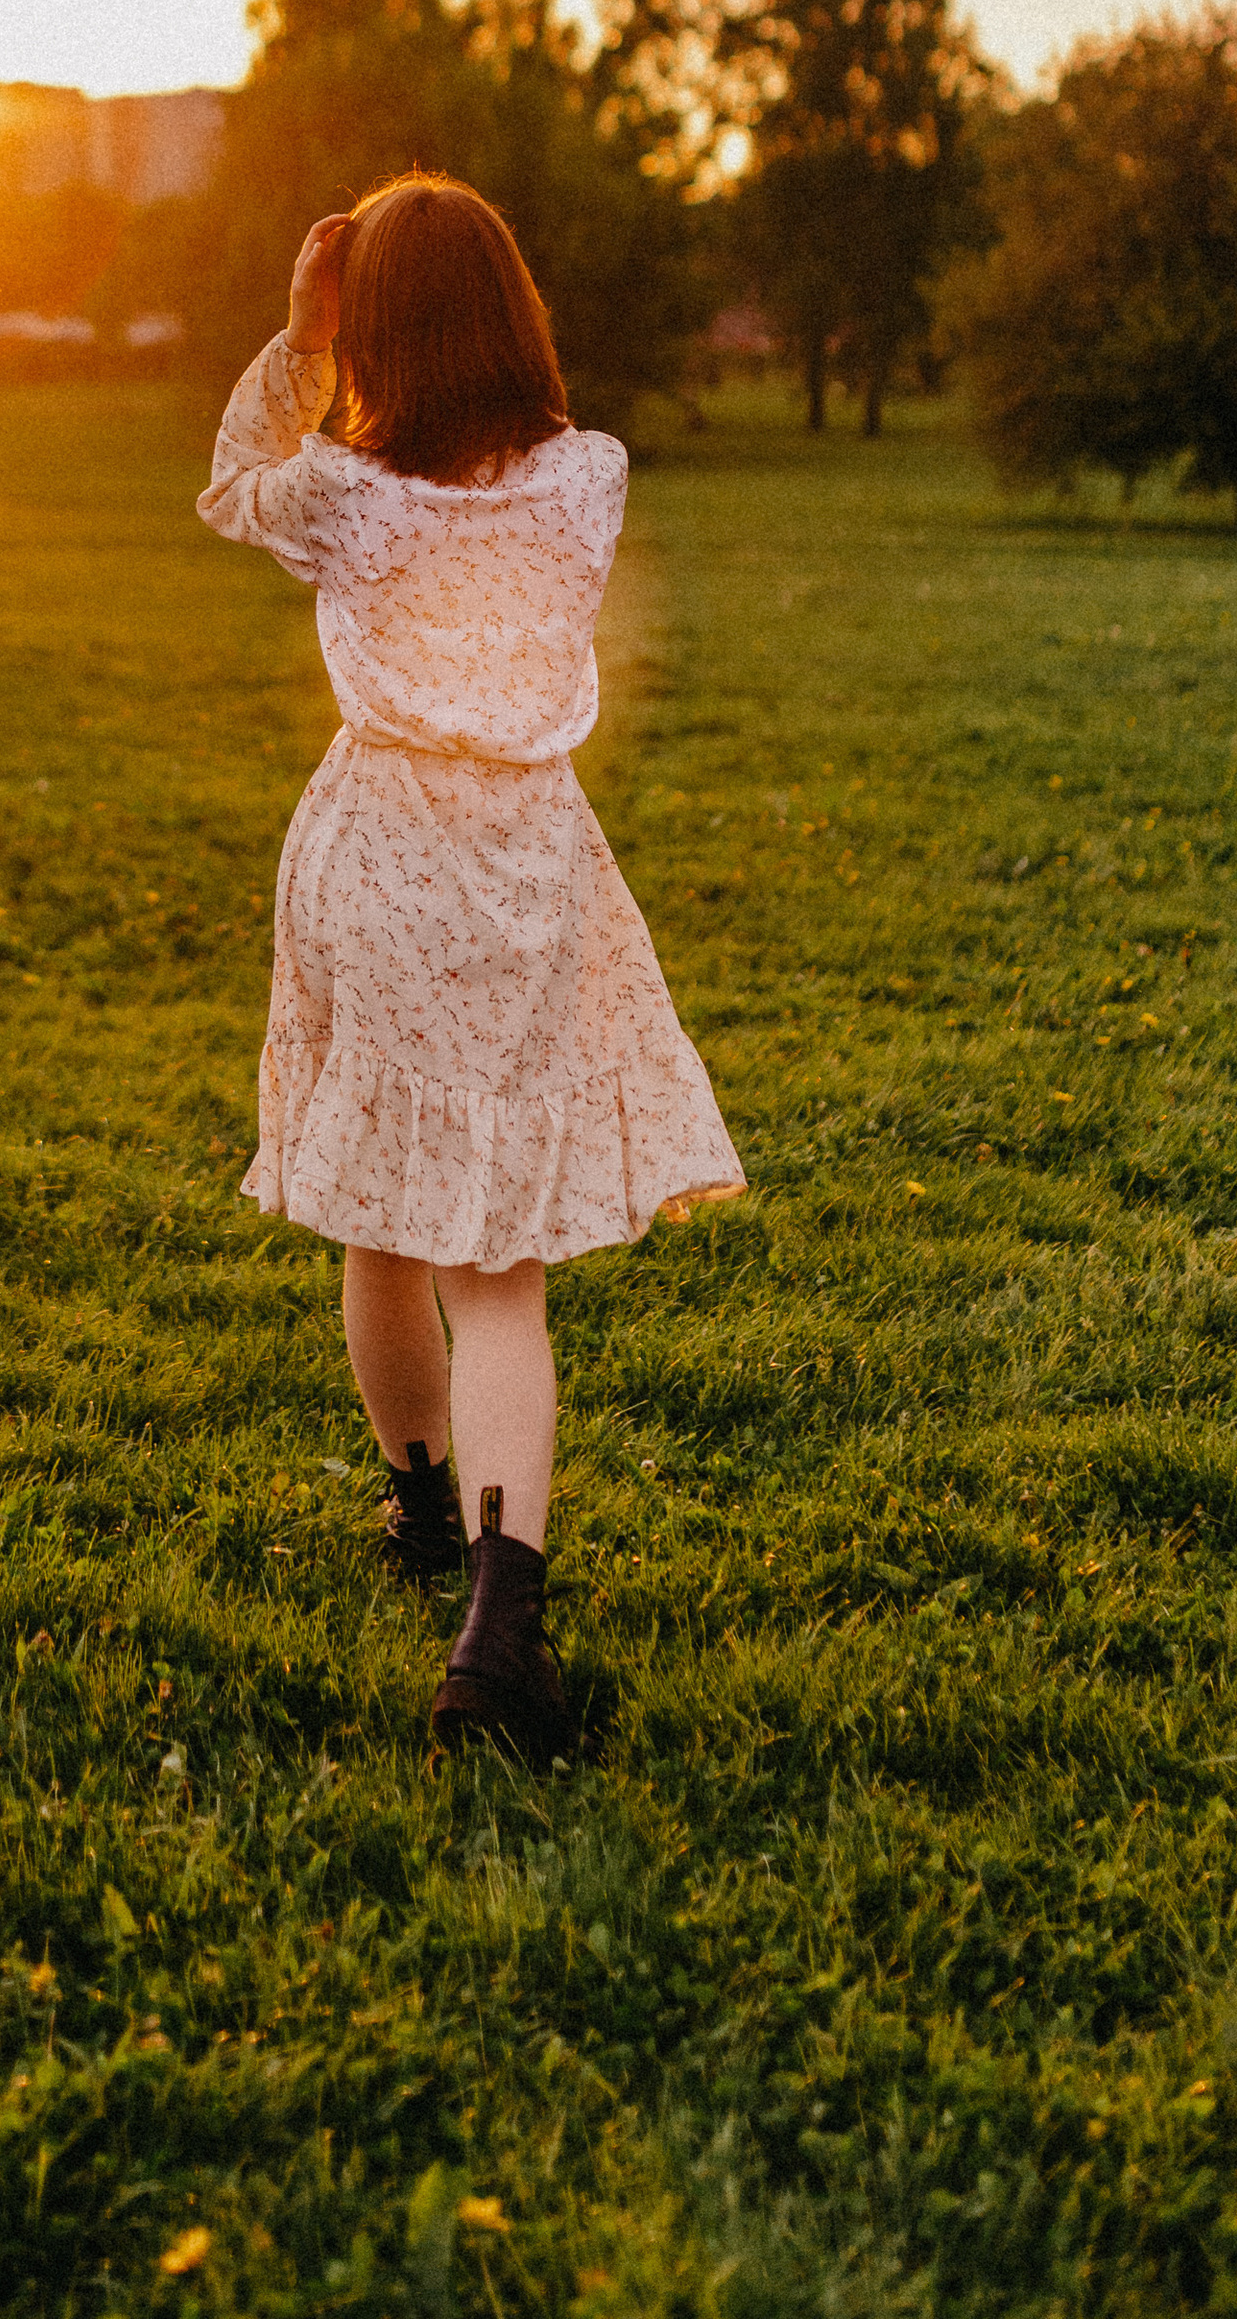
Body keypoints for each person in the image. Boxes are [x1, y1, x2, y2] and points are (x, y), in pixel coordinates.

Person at [198, 174, 744, 1758]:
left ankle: (421, 1509)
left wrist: (305, 347)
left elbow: (235, 488)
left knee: (380, 1195)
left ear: (376, 326)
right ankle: (499, 1622)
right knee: (495, 1264)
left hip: (370, 855)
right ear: (514, 311)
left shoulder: (340, 494)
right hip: (520, 863)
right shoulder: (590, 482)